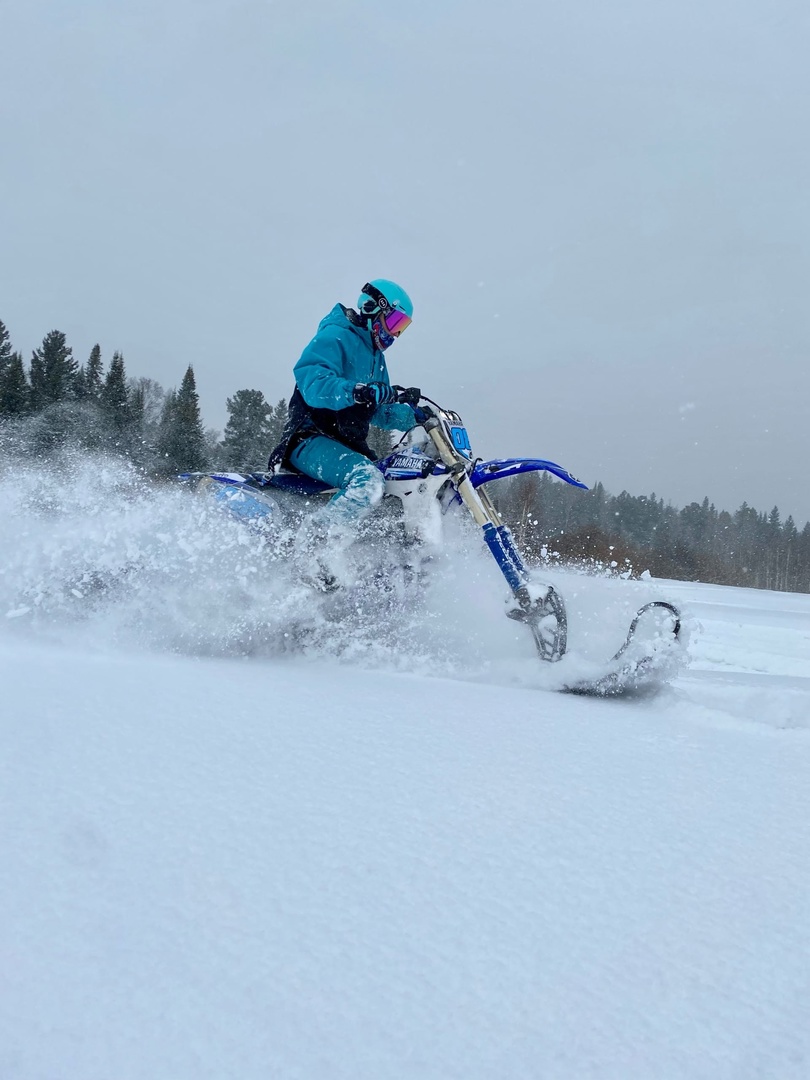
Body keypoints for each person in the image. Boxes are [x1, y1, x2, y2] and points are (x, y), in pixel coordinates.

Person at [269, 279, 423, 526]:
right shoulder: (337, 334)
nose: (395, 334)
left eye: (401, 328)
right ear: (374, 308)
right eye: (394, 322)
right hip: (310, 438)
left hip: (348, 445)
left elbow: (379, 411)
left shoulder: (376, 358)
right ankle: (316, 539)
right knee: (368, 482)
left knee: (394, 480)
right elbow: (313, 381)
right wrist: (357, 391)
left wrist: (416, 417)